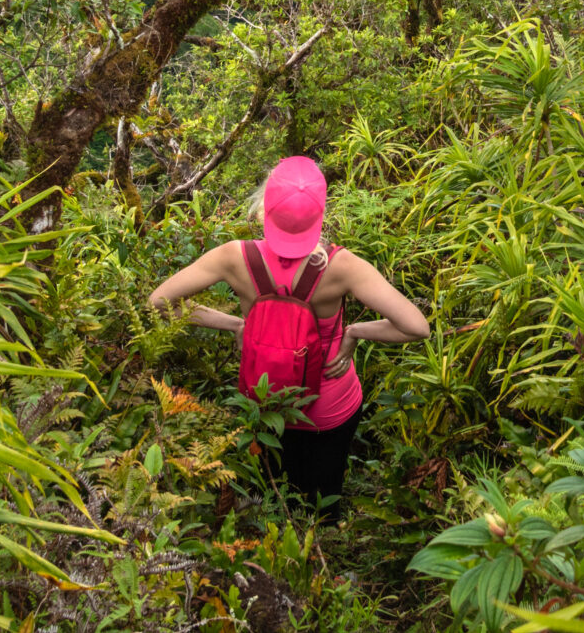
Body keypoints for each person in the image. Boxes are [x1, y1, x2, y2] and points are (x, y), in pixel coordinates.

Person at [148, 155, 429, 508]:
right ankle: (322, 542)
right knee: (323, 495)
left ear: (266, 208)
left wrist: (236, 323)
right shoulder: (342, 266)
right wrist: (355, 331)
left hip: (264, 404)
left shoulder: (234, 257)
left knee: (271, 494)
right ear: (320, 214)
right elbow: (417, 327)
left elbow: (159, 301)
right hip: (330, 406)